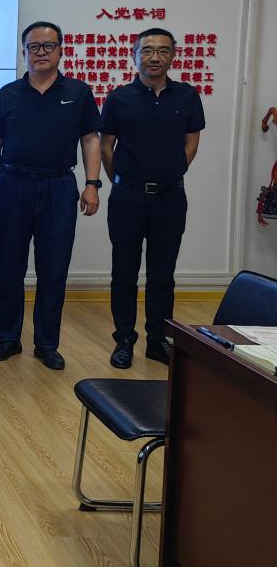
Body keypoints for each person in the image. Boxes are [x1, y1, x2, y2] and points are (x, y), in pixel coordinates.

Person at [0, 21, 101, 371]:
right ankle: (8, 338)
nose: (41, 52)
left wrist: (92, 183)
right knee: (9, 266)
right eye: (33, 46)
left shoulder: (78, 92)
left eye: (48, 46)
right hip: (12, 184)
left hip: (58, 186)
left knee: (54, 268)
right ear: (24, 52)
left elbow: (90, 139)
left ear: (60, 51)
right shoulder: (7, 94)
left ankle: (47, 343)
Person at [101, 27, 205, 367]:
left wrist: (172, 171)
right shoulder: (119, 98)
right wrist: (121, 180)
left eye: (162, 50)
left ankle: (158, 340)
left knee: (163, 274)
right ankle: (124, 341)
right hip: (127, 198)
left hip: (170, 198)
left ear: (173, 55)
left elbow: (192, 141)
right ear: (135, 55)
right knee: (124, 273)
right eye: (147, 50)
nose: (154, 57)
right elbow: (106, 146)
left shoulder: (187, 96)